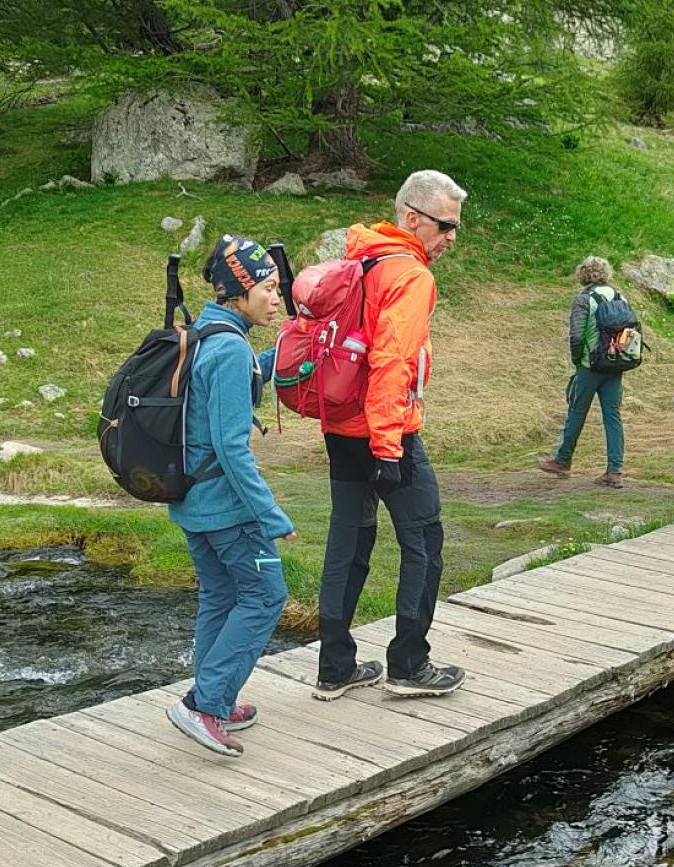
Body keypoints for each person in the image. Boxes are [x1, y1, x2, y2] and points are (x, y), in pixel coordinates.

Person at [315, 170, 468, 701]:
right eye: (445, 226)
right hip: (386, 433)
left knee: (348, 542)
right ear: (412, 217)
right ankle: (408, 664)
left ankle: (335, 667)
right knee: (424, 541)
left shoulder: (362, 255)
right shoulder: (411, 275)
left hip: (340, 426)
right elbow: (391, 362)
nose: (451, 237)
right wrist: (387, 446)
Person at [164, 235, 294, 758]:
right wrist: (271, 513)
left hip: (193, 501)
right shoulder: (229, 350)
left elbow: (225, 387)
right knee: (266, 595)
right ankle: (205, 704)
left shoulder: (207, 333)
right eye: (268, 288)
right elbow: (231, 446)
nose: (277, 298)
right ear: (238, 292)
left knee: (220, 596)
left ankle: (213, 694)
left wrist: (279, 355)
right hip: (228, 508)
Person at [536, 256, 626, 488]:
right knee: (613, 416)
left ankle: (563, 460)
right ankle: (614, 470)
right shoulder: (619, 296)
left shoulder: (584, 299)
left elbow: (576, 335)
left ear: (583, 274)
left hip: (590, 365)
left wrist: (578, 360)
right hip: (615, 364)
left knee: (577, 412)